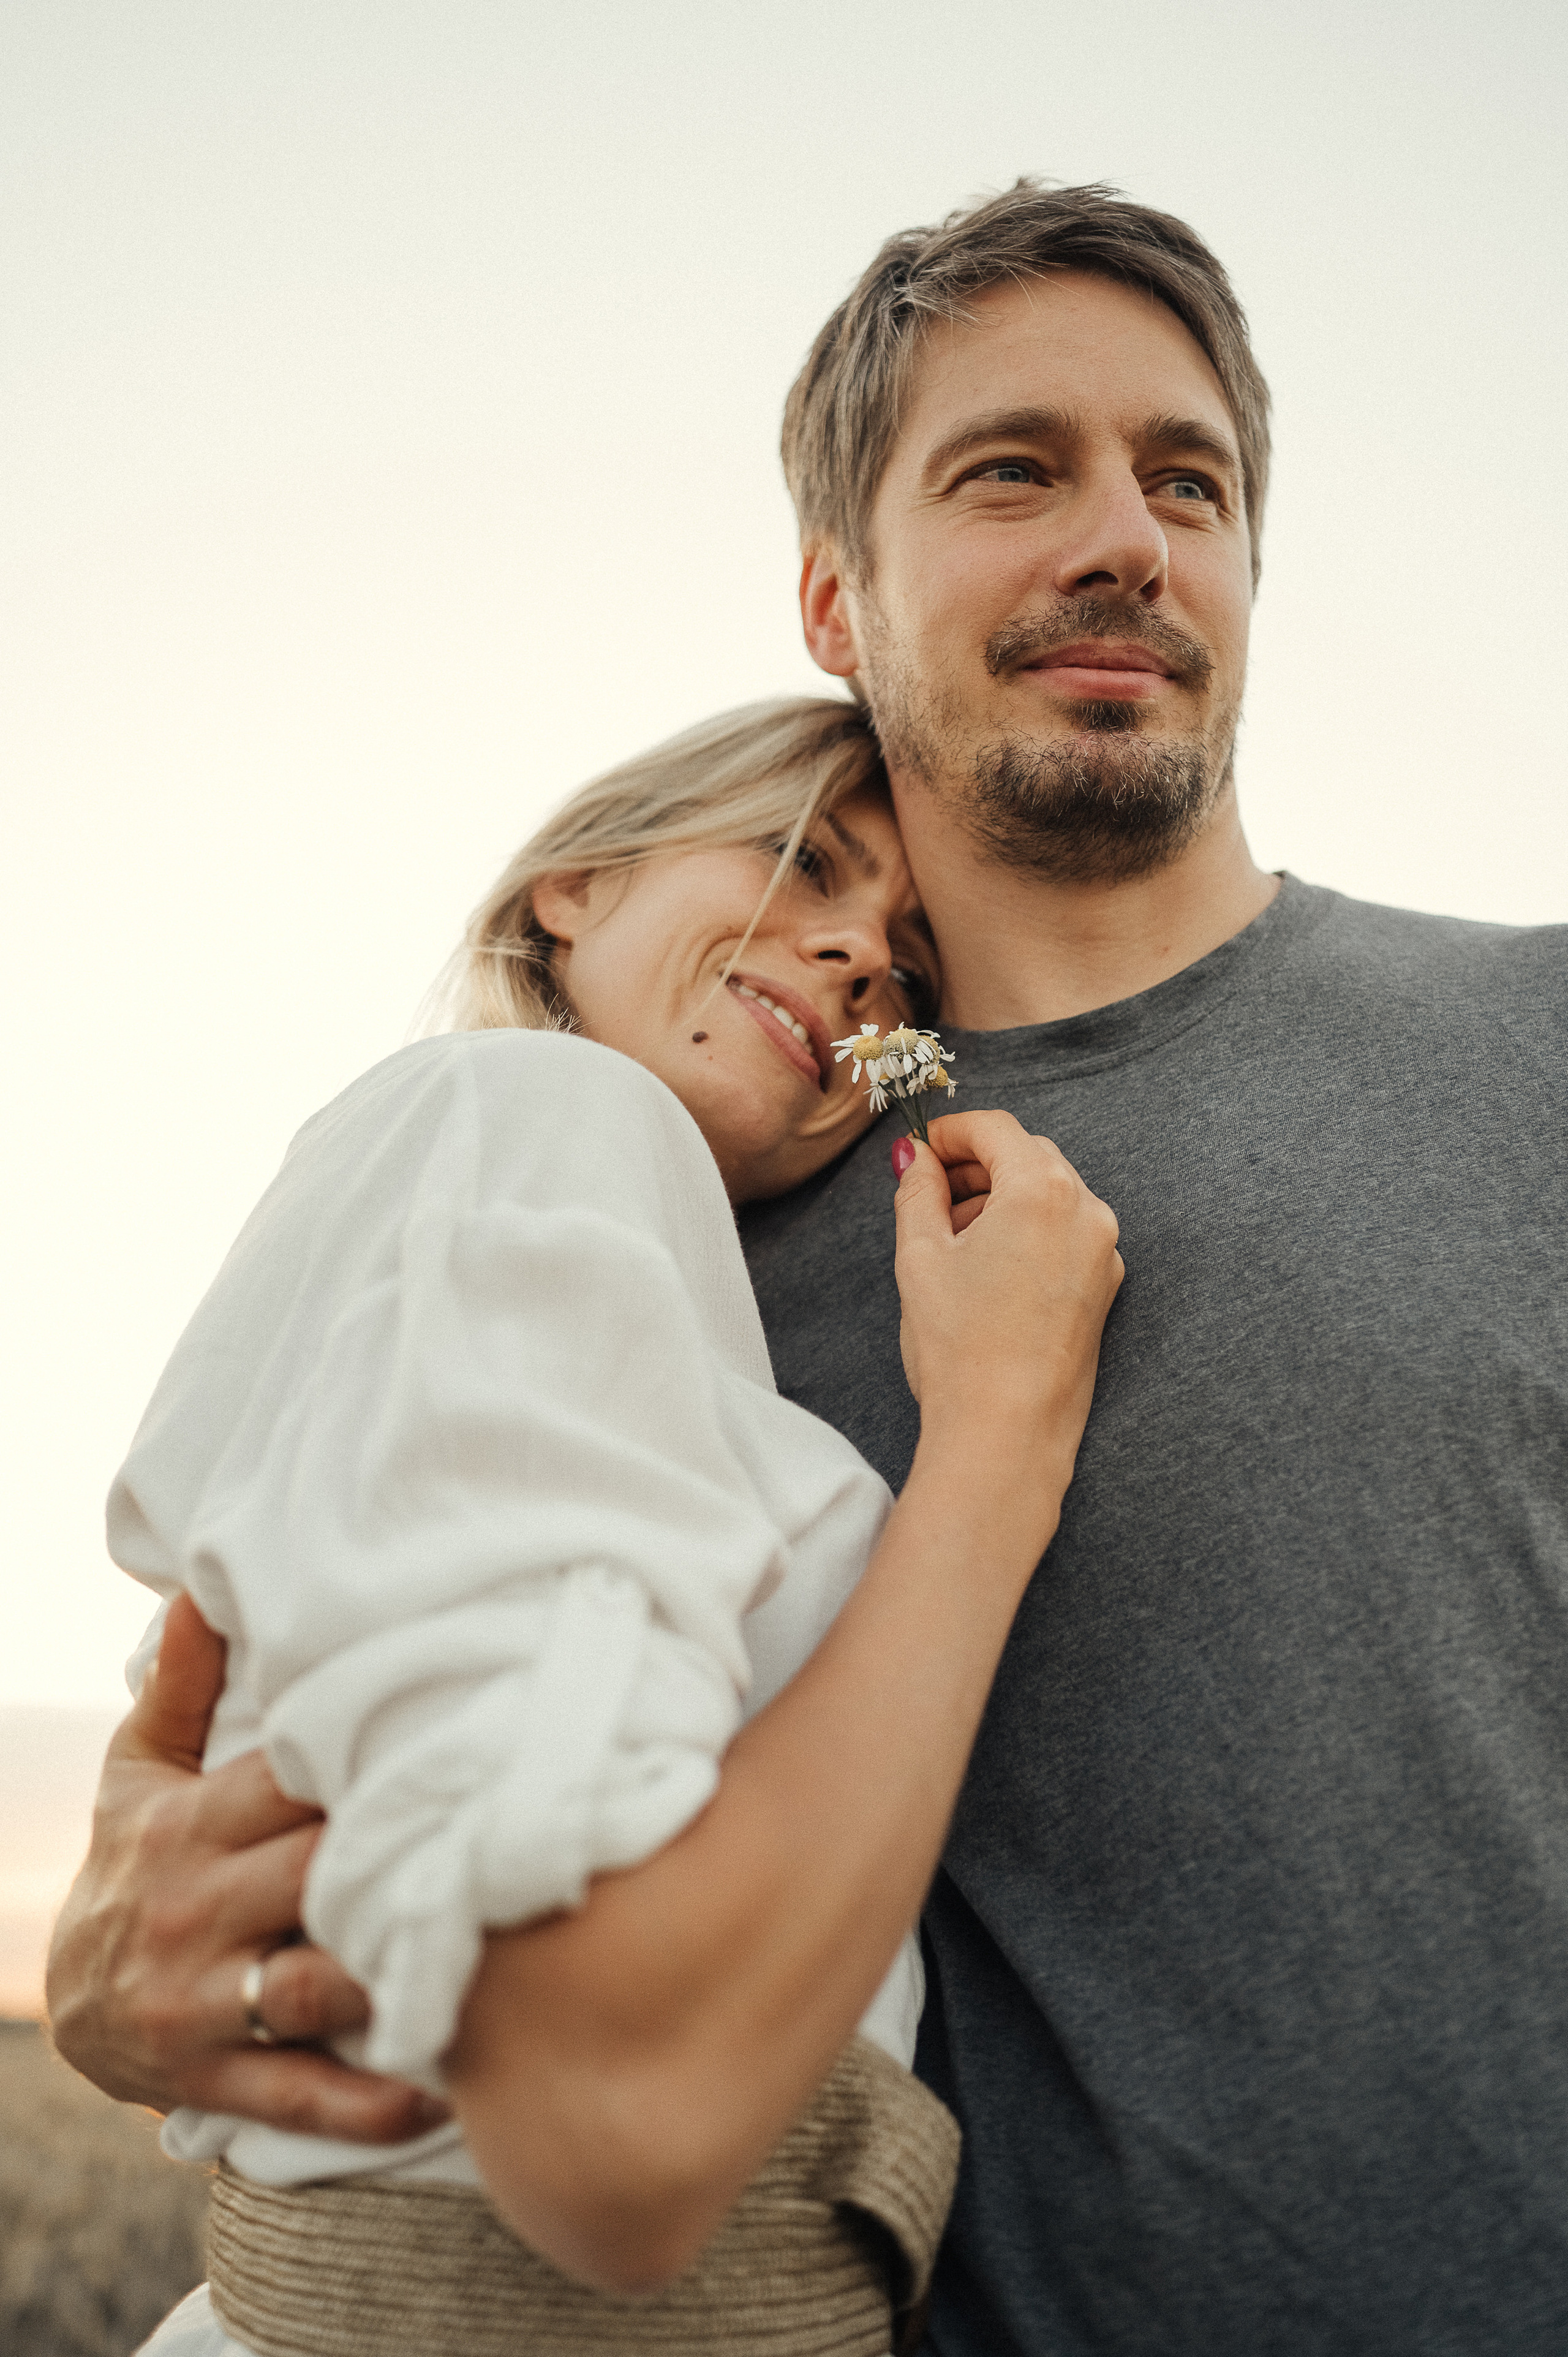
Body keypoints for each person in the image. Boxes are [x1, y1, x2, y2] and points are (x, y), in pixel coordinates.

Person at [51, 179, 1568, 2354]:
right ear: (834, 596)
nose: (1127, 537)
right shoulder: (657, 1230)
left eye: (1191, 481)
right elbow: (369, 1821)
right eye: (1013, 469)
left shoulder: (1539, 1049)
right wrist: (136, 1975)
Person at [70, 692, 1123, 2357]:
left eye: (912, 970)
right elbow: (617, 2108)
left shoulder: (564, 1250)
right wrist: (1002, 1442)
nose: (861, 954)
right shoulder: (536, 1116)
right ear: (572, 885)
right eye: (803, 862)